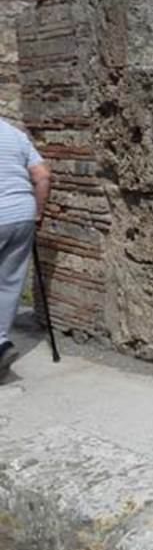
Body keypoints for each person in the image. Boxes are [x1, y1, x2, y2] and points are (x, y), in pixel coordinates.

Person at [0, 118, 50, 375]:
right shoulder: (14, 134)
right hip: (22, 214)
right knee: (9, 283)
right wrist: (38, 214)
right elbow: (42, 177)